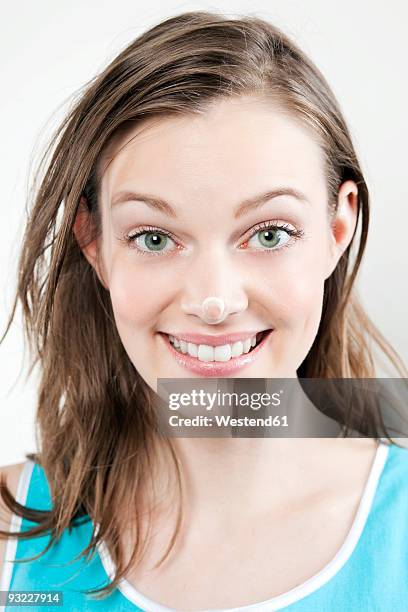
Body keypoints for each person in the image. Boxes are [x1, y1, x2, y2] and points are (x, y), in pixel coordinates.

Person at [0, 10, 407, 612]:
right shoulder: (9, 537)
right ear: (95, 245)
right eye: (155, 238)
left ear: (337, 227)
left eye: (269, 233)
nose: (213, 301)